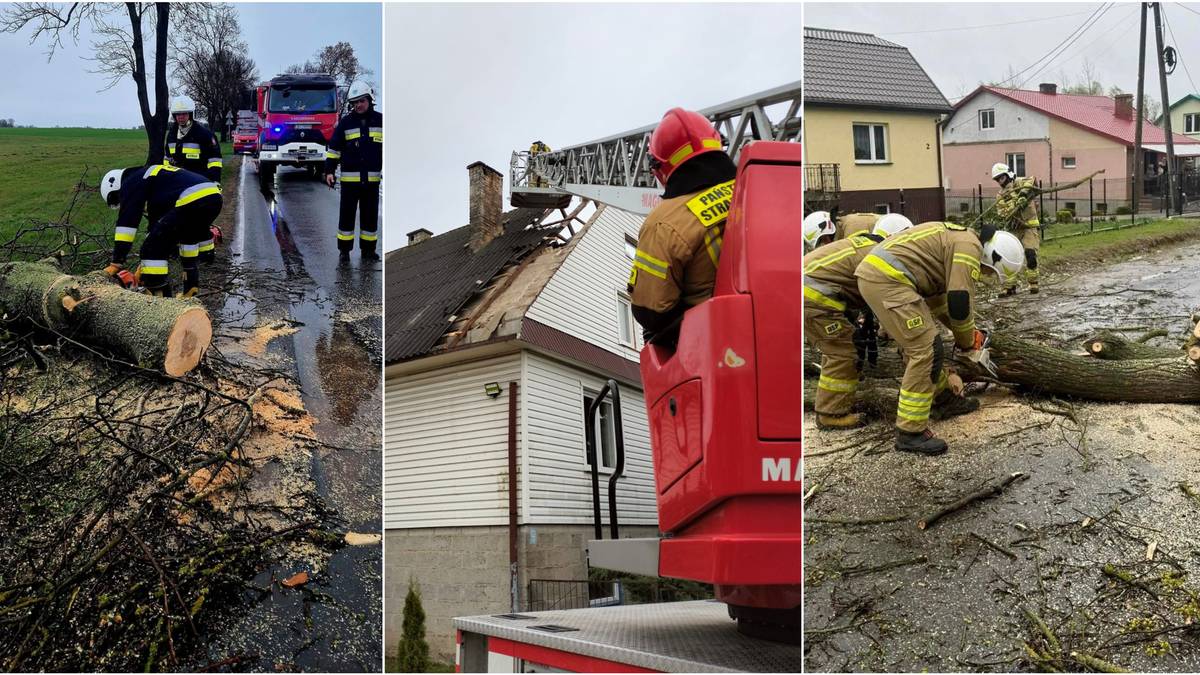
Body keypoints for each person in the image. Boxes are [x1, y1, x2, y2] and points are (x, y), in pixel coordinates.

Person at [855, 222, 1025, 454]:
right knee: (926, 349)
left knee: (922, 345)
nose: (986, 275)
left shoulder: (958, 242)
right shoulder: (969, 248)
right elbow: (959, 300)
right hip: (888, 280)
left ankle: (944, 401)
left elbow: (940, 304)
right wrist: (967, 344)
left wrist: (969, 334)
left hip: (884, 277)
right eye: (989, 272)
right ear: (991, 256)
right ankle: (910, 432)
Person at [627, 108, 736, 343]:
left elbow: (651, 312)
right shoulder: (754, 185)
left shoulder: (663, 223)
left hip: (716, 341)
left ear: (659, 167)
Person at [98, 164, 223, 298]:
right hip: (213, 197)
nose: (121, 201)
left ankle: (161, 299)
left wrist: (117, 262)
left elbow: (127, 223)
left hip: (192, 198)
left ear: (117, 186)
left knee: (151, 250)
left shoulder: (131, 182)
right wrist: (142, 268)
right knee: (187, 240)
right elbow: (156, 229)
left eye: (118, 198)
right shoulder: (155, 184)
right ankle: (190, 291)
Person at [991, 162, 1102, 296]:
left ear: (1008, 174)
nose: (1000, 182)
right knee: (1010, 258)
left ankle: (1033, 283)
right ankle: (1009, 287)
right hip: (1014, 230)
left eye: (1001, 178)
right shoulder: (1000, 195)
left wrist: (1023, 195)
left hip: (1029, 228)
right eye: (997, 180)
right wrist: (1014, 205)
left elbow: (1032, 180)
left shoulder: (1020, 183)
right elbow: (1002, 213)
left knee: (1030, 254)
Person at [325, 80, 383, 261]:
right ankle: (344, 251)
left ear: (369, 100)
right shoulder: (345, 123)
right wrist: (329, 171)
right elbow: (334, 149)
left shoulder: (381, 121)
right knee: (346, 218)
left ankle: (368, 250)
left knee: (370, 218)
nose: (358, 105)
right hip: (350, 183)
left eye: (361, 101)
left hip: (372, 182)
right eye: (355, 102)